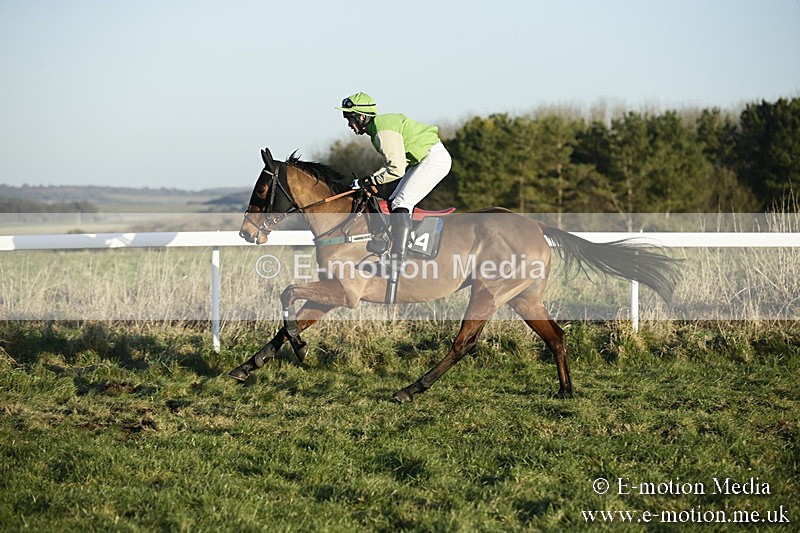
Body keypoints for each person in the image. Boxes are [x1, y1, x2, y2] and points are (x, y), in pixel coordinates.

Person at [335, 92, 452, 274]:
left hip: (433, 159)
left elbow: (396, 169)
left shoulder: (381, 131)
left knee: (401, 203)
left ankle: (397, 261)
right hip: (422, 159)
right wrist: (369, 181)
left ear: (361, 117)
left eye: (350, 118)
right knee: (391, 204)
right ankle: (391, 253)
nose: (349, 124)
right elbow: (397, 164)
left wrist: (368, 181)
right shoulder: (378, 129)